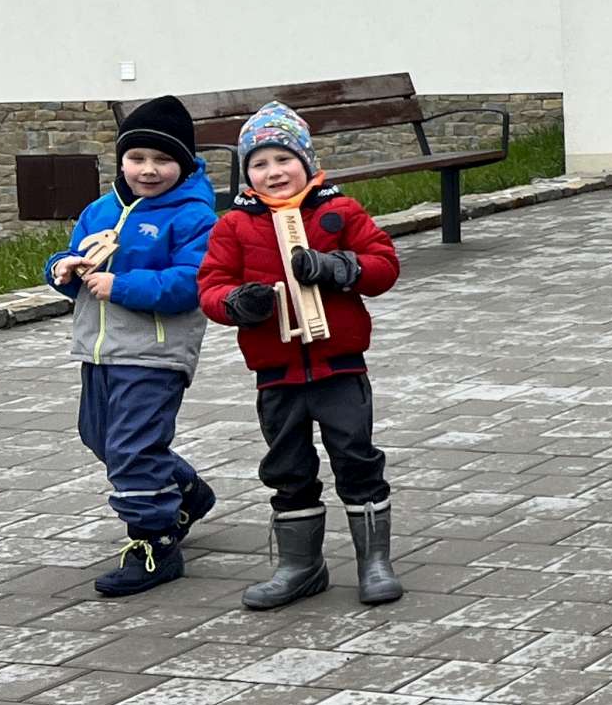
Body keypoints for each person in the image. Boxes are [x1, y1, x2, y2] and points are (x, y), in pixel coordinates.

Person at [195, 102, 404, 609]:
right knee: (287, 465)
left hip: (340, 366)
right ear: (246, 174)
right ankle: (301, 565)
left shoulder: (340, 212)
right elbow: (210, 286)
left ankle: (374, 562)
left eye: (283, 159)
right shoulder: (234, 226)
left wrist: (338, 267)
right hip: (276, 371)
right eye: (259, 163)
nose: (273, 172)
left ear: (307, 162)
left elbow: (383, 264)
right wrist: (237, 303)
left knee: (355, 456)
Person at [44, 95, 218, 598]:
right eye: (136, 158)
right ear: (121, 160)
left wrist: (121, 286)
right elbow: (76, 264)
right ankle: (186, 490)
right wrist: (62, 269)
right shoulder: (99, 209)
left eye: (162, 159)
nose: (148, 169)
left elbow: (192, 282)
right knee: (98, 435)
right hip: (98, 349)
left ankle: (153, 542)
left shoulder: (193, 216)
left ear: (184, 163)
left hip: (155, 352)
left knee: (132, 448)